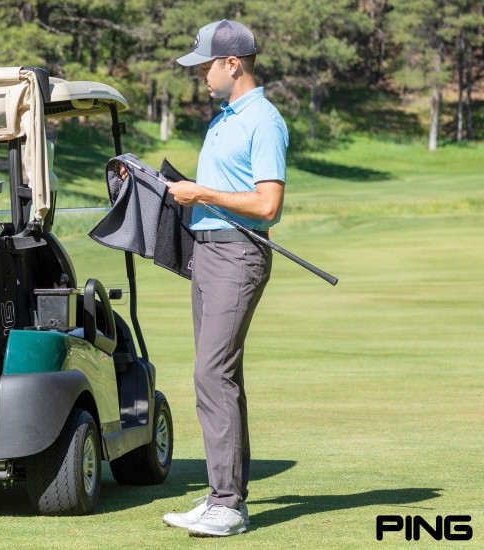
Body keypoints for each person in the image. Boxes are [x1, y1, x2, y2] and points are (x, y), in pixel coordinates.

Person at [160, 20, 288, 537]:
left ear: (232, 64)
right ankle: (221, 495)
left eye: (205, 66)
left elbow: (268, 204)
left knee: (212, 374)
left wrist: (201, 194)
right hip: (209, 255)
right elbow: (206, 191)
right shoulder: (222, 120)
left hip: (240, 254)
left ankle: (229, 506)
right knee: (216, 376)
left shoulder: (264, 121)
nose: (201, 76)